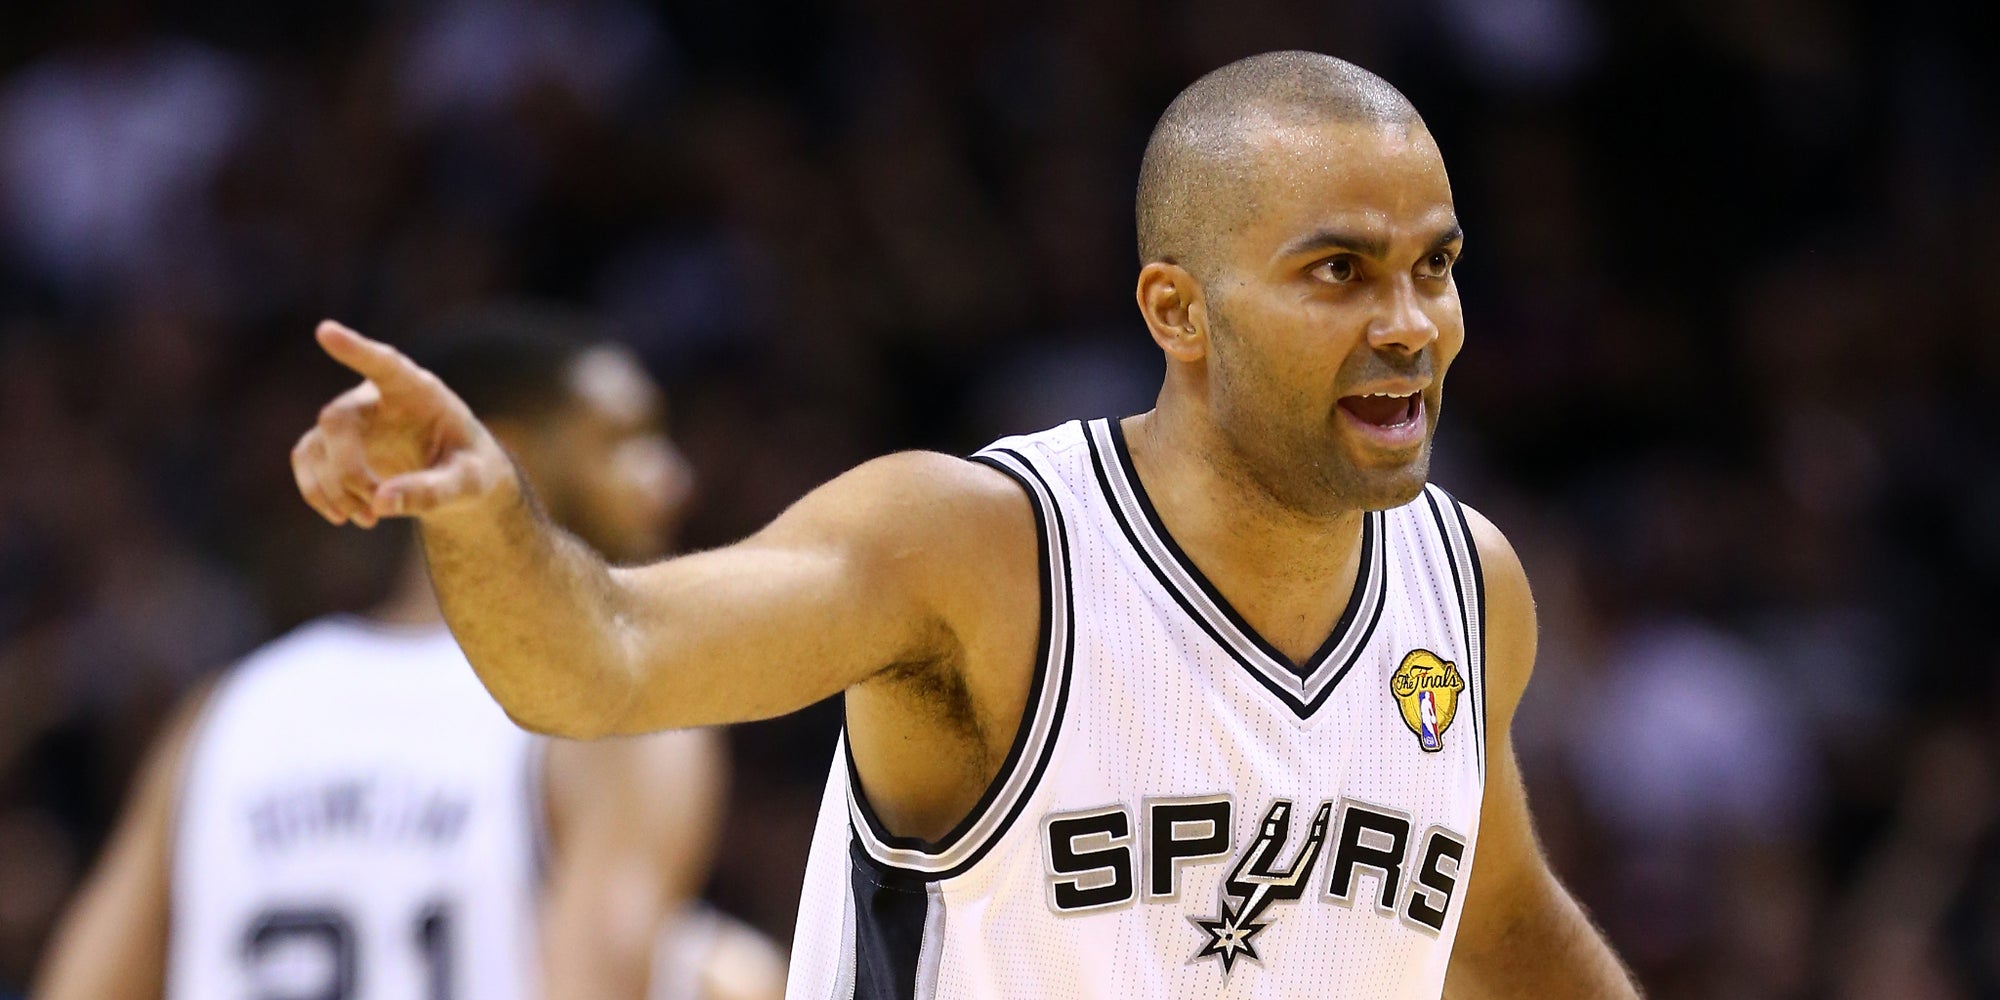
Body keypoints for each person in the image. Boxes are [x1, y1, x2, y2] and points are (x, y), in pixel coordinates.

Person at [283, 52, 1642, 999]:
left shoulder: (1471, 587)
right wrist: (483, 508)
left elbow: (1500, 918)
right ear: (1178, 314)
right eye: (1339, 272)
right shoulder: (980, 547)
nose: (1407, 324)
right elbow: (605, 659)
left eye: (1435, 268)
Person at [34, 305, 787, 1000]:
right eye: (625, 443)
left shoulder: (227, 710)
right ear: (504, 454)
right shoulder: (618, 713)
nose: (673, 481)